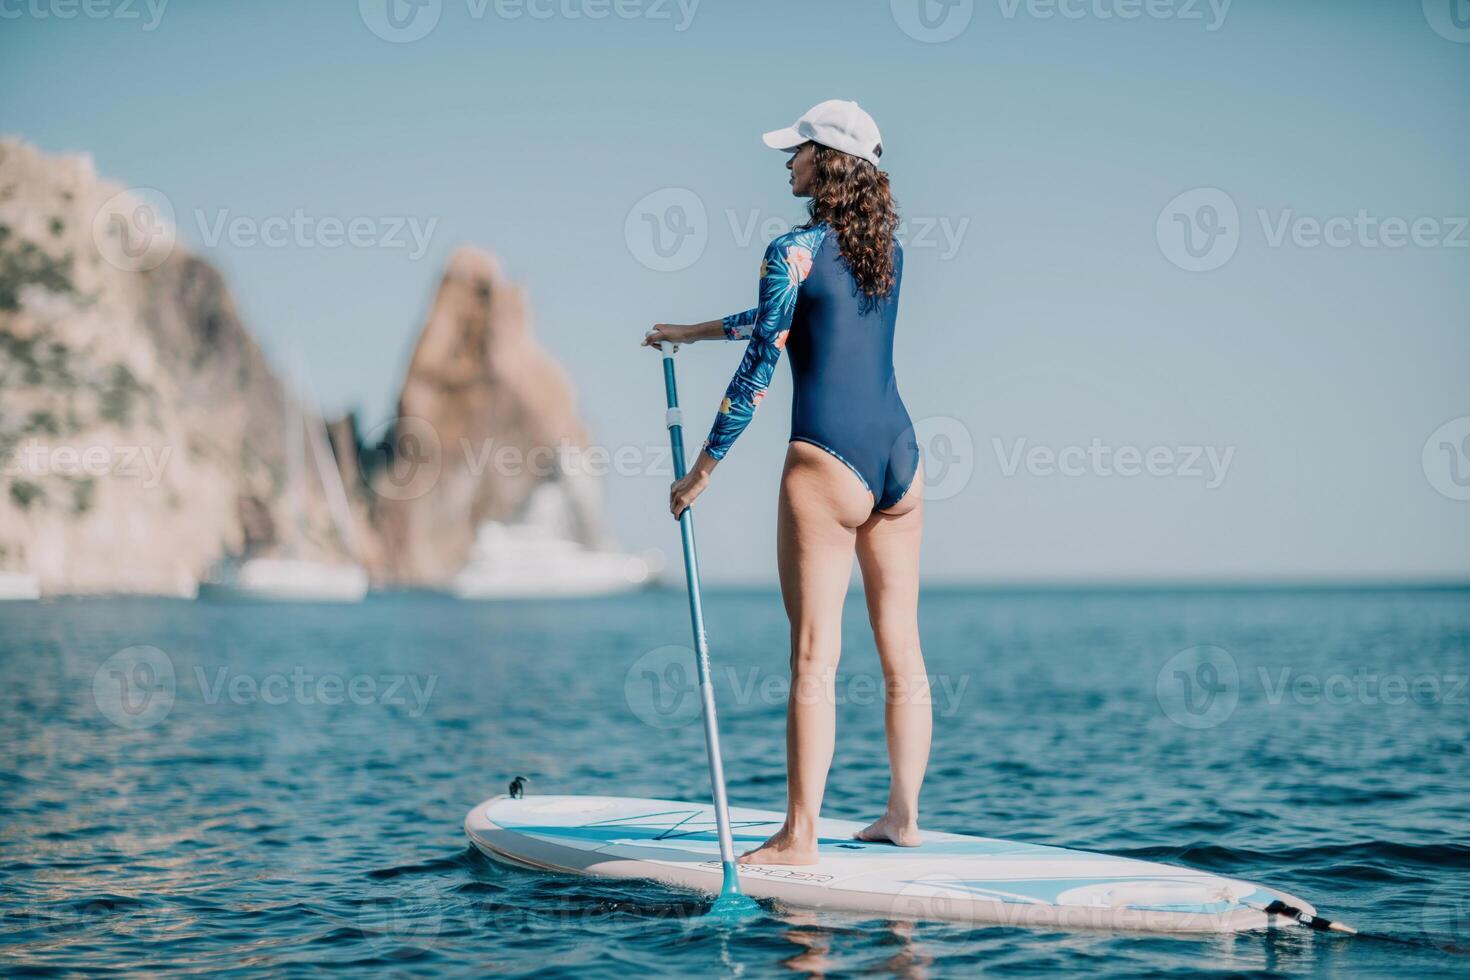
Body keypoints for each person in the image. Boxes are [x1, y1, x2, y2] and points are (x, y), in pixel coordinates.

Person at [642, 100, 930, 866]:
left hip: (825, 461)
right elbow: (791, 317)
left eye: (797, 150)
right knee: (902, 650)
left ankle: (799, 836)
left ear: (827, 162)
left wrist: (701, 470)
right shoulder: (889, 254)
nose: (787, 162)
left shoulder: (789, 248)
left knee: (814, 656)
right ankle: (903, 817)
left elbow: (764, 359)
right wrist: (694, 330)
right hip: (900, 457)